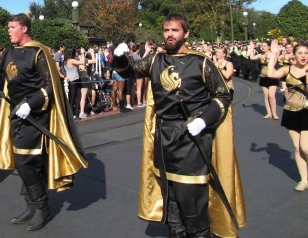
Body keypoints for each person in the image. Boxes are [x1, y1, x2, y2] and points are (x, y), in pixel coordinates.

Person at [131, 14, 245, 238]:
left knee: (190, 199)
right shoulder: (155, 59)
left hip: (192, 139)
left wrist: (204, 120)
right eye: (166, 30)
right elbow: (132, 71)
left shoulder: (201, 62)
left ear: (185, 33)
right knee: (170, 197)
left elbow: (223, 95)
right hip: (164, 138)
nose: (169, 34)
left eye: (174, 30)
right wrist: (120, 60)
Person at [0, 13, 87, 231]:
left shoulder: (39, 52)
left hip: (35, 116)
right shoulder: (9, 51)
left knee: (26, 162)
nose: (8, 30)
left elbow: (51, 85)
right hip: (16, 114)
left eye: (12, 27)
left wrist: (30, 104)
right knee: (24, 163)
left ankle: (41, 208)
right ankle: (32, 205)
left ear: (24, 28)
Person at [267, 39, 308, 191]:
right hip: (291, 111)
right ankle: (304, 180)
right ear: (294, 55)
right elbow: (271, 73)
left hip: (307, 112)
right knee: (297, 148)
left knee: (305, 147)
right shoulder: (287, 69)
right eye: (300, 53)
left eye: (306, 53)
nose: (303, 56)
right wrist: (273, 54)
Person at [249, 40, 279, 119]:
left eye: (265, 46)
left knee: (271, 95)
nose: (263, 47)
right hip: (263, 76)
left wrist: (268, 57)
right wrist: (252, 49)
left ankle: (274, 113)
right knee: (266, 96)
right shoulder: (260, 55)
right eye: (262, 46)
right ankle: (269, 113)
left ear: (269, 47)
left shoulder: (272, 54)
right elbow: (252, 58)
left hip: (272, 76)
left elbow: (274, 63)